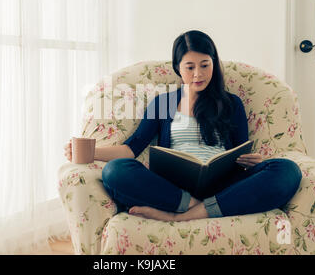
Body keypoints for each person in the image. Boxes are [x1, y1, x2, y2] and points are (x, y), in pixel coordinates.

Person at [64, 30, 302, 222]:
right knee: (115, 171)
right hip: (175, 188)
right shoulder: (163, 102)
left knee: (287, 170)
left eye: (205, 65)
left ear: (214, 64)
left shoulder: (232, 103)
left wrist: (251, 161)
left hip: (223, 185)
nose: (198, 74)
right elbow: (131, 148)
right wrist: (89, 152)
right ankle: (196, 207)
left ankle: (178, 216)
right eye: (190, 67)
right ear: (178, 67)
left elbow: (240, 152)